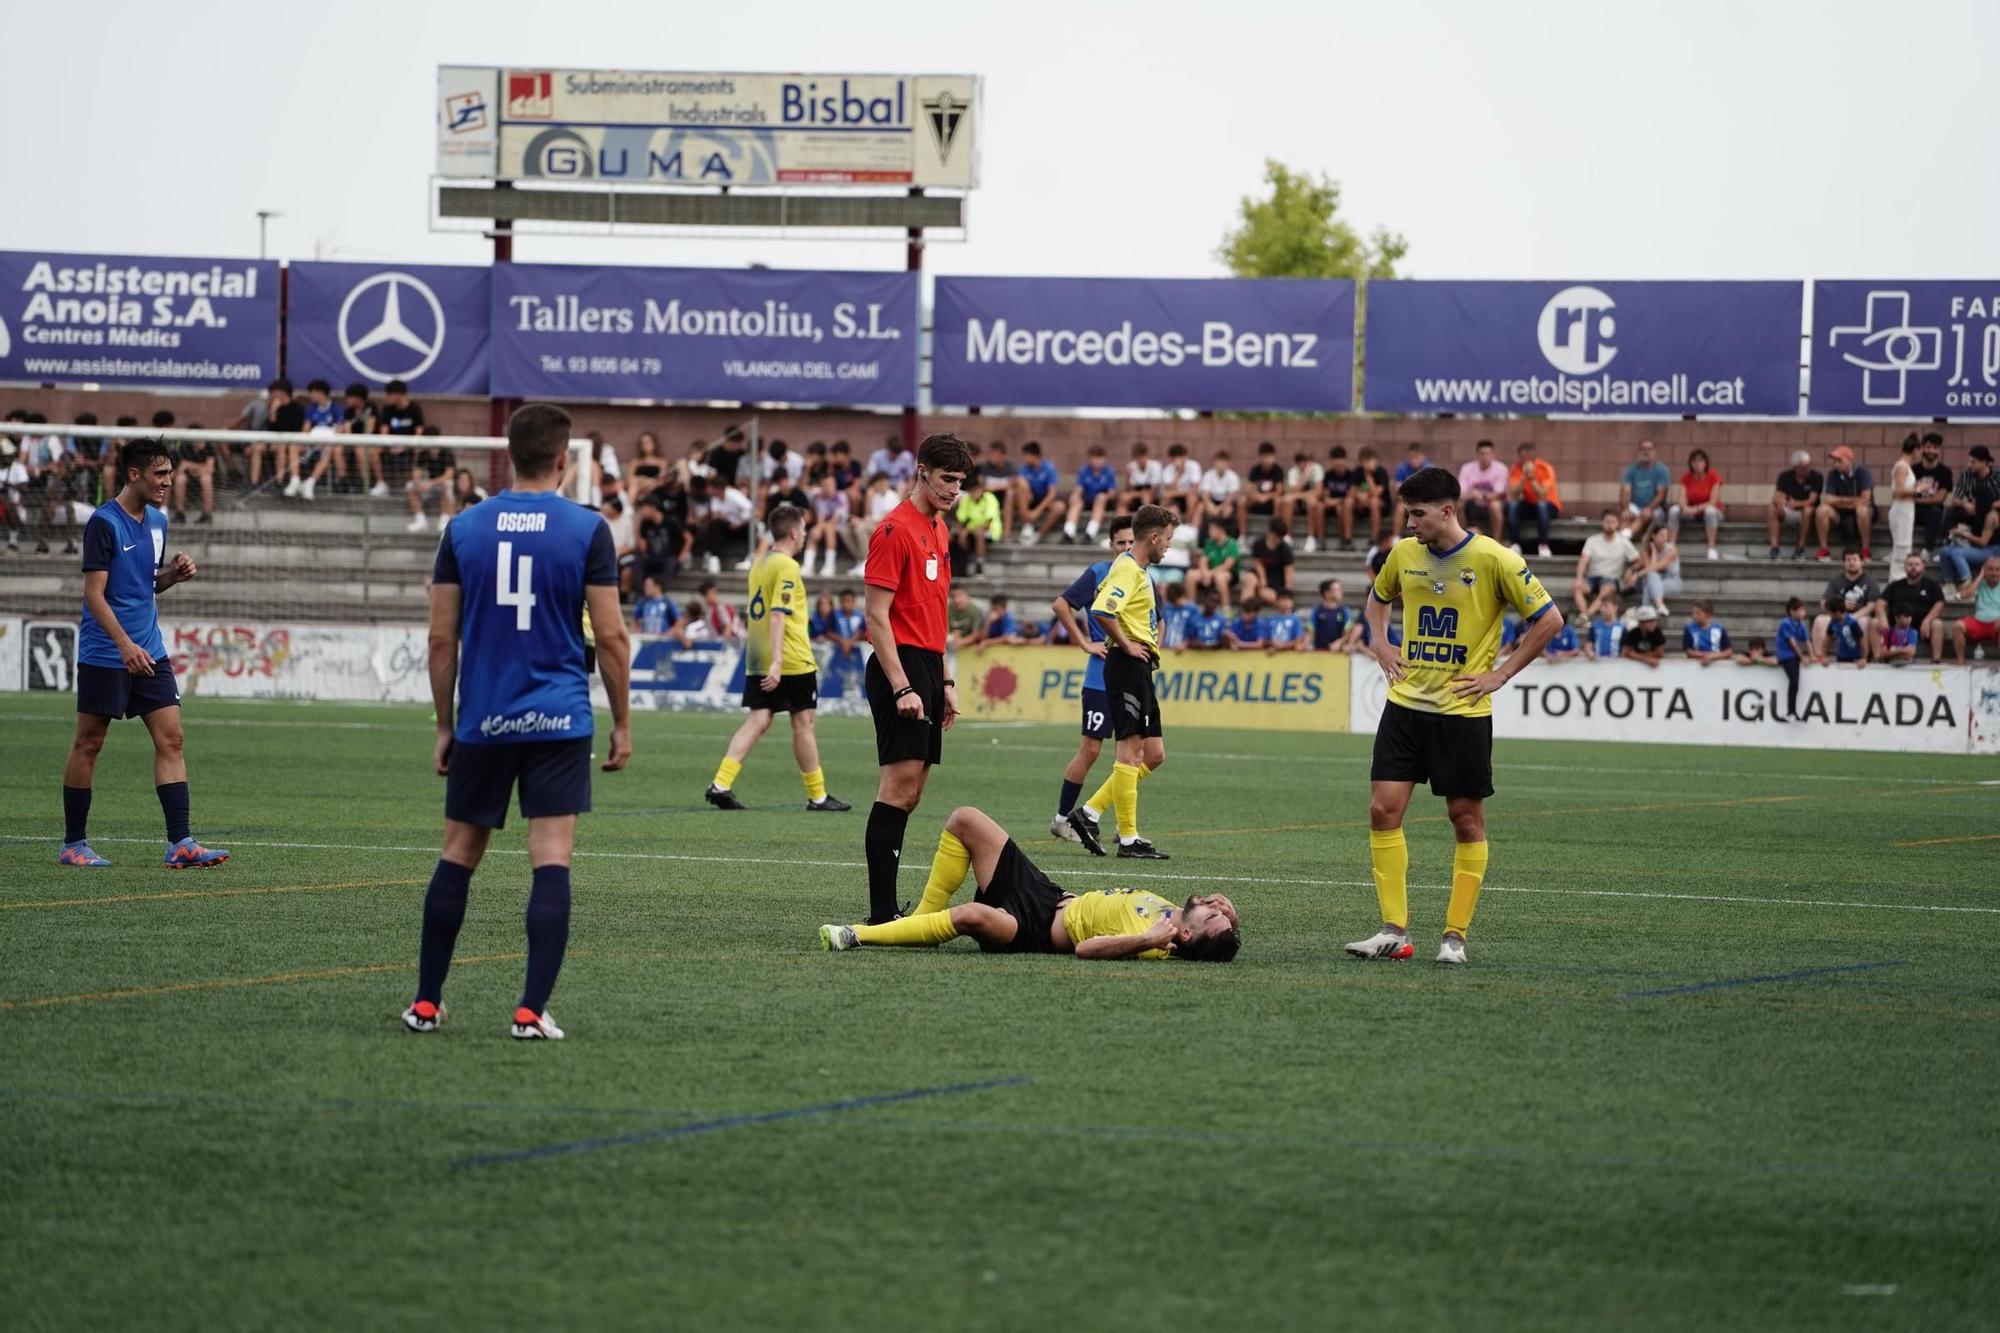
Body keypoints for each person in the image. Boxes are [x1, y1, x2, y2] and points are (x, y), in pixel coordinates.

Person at [403, 403, 630, 1042]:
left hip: (484, 718)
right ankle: (530, 1011)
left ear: (507, 453)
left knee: (458, 855)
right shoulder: (588, 530)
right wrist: (623, 725)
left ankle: (426, 1003)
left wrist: (444, 725)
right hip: (559, 717)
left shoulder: (463, 528)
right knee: (550, 858)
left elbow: (440, 641)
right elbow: (610, 638)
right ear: (563, 459)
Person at [1349, 465, 1563, 966]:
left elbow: (1549, 619)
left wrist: (1500, 674)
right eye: (1406, 513)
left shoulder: (1495, 559)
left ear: (1448, 510)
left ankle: (1454, 936)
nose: (1409, 524)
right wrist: (1381, 645)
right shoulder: (1403, 555)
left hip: (1462, 710)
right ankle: (1392, 931)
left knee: (1464, 819)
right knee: (1383, 810)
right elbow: (1378, 599)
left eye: (1417, 514)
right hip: (1405, 706)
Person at [57, 437, 229, 872]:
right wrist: (123, 645)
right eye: (160, 474)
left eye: (170, 473)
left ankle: (181, 843)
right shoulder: (103, 522)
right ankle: (74, 843)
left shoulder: (158, 520)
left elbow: (144, 583)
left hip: (149, 649)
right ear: (134, 474)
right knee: (90, 743)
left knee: (172, 738)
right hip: (107, 651)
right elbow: (95, 595)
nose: (168, 482)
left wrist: (172, 575)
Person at [818, 806, 1240, 961]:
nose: (1215, 906)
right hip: (1047, 893)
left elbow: (1085, 948)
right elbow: (1218, 940)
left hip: (1034, 930)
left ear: (1185, 933)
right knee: (965, 819)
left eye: (1212, 915)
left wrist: (1145, 941)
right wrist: (1231, 921)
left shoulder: (1159, 941)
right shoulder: (1175, 917)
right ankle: (922, 922)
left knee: (968, 915)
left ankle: (859, 936)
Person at [861, 433, 972, 925]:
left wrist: (943, 681)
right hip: (898, 665)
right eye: (947, 479)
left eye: (961, 482)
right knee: (896, 788)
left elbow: (936, 611)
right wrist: (903, 685)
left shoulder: (939, 529)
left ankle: (887, 909)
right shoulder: (893, 530)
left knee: (912, 792)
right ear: (922, 471)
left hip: (928, 664)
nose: (954, 490)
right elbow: (876, 617)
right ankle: (881, 914)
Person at [703, 504, 851, 814]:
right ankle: (818, 796)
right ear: (795, 532)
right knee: (804, 723)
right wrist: (779, 663)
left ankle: (721, 783)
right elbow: (778, 615)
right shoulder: (787, 566)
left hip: (757, 656)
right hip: (790, 658)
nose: (805, 537)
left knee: (759, 718)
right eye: (805, 531)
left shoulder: (759, 564)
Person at [1068, 504, 1175, 861]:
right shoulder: (1128, 570)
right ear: (1154, 537)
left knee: (1154, 754)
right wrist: (1127, 644)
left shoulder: (1139, 570)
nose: (1169, 548)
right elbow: (1101, 609)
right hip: (1127, 664)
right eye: (1168, 540)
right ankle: (1129, 839)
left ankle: (1090, 812)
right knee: (1129, 752)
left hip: (1140, 667)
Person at [1812, 548, 1883, 661]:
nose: (1851, 562)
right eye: (1848, 560)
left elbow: (1871, 606)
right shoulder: (1836, 581)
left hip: (1860, 615)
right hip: (1837, 615)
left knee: (1862, 622)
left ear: (1862, 562)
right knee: (1819, 620)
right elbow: (1823, 603)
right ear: (1844, 563)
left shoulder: (1870, 582)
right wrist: (1841, 605)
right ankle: (1820, 657)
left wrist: (1852, 617)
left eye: (1855, 559)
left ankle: (1861, 657)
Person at [1883, 552, 1948, 662]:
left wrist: (1927, 620)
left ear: (1923, 567)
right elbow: (1881, 602)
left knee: (1937, 624)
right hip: (1897, 626)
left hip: (1923, 627)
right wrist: (1882, 619)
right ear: (1904, 567)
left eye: (1917, 564)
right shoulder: (1895, 585)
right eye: (1910, 564)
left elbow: (1940, 603)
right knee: (1875, 622)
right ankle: (1878, 658)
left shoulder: (1931, 584)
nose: (1913, 567)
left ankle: (1936, 660)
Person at [1572, 510, 1639, 617]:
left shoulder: (1623, 542)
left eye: (1612, 522)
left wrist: (1631, 570)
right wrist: (1579, 577)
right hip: (1592, 578)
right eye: (1607, 521)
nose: (1609, 525)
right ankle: (1583, 613)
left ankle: (1586, 615)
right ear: (1602, 522)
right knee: (1577, 586)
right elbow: (1583, 560)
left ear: (1618, 524)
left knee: (1607, 589)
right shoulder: (1592, 540)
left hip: (1611, 578)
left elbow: (1638, 561)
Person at [1815, 446, 1875, 562]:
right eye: (1834, 461)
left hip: (1861, 513)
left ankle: (1865, 549)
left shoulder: (1862, 472)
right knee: (1821, 509)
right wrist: (1852, 502)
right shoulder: (1833, 474)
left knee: (1862, 509)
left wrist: (1839, 500)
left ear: (1849, 460)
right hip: (1840, 513)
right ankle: (1824, 549)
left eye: (1839, 461)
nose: (1836, 465)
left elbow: (1866, 498)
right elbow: (1829, 499)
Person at [1504, 441, 1560, 558]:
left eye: (1523, 456)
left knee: (1541, 505)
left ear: (1532, 455)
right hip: (1529, 505)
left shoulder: (1545, 468)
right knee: (1513, 505)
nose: (1520, 459)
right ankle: (1515, 544)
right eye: (1519, 456)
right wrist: (1524, 477)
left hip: (1549, 506)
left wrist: (1532, 477)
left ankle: (1543, 545)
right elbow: (1513, 494)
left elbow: (1542, 496)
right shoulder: (1516, 468)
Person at [1668, 448, 1725, 561]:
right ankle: (1671, 546)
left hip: (1712, 512)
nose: (1697, 464)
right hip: (1692, 512)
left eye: (1700, 461)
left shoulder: (1713, 476)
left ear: (1705, 463)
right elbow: (1681, 498)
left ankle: (1711, 549)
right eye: (1694, 461)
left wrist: (1696, 508)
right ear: (1691, 464)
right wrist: (1684, 507)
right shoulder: (1686, 477)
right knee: (1673, 510)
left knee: (1710, 510)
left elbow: (1713, 501)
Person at [1767, 450, 1823, 561]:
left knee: (1808, 510)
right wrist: (1781, 502)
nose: (1807, 469)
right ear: (1795, 467)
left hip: (1807, 512)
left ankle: (1800, 548)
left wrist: (1795, 503)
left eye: (1808, 465)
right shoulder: (1785, 476)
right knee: (1772, 508)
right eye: (1803, 467)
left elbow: (1812, 500)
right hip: (1789, 510)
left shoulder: (1816, 477)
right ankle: (1774, 548)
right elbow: (1776, 497)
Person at [373, 379, 425, 497]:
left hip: (410, 446)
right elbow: (384, 432)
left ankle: (412, 482)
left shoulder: (415, 409)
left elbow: (419, 433)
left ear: (398, 395)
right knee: (375, 450)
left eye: (389, 395)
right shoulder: (387, 410)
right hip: (392, 446)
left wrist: (405, 447)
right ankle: (382, 483)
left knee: (419, 450)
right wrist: (390, 445)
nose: (387, 398)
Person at [1063, 445, 1120, 545]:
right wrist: (1075, 496)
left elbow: (1112, 492)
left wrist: (1104, 496)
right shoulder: (1084, 470)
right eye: (1095, 458)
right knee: (1076, 502)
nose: (1097, 461)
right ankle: (1068, 533)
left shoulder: (1109, 471)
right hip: (1087, 499)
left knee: (1100, 499)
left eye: (1100, 458)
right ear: (1090, 459)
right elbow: (1079, 489)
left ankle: (1090, 534)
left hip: (1102, 502)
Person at [1617, 439, 1672, 541]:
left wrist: (1649, 508)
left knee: (1646, 514)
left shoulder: (1662, 470)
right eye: (1643, 449)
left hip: (1656, 509)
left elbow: (1661, 495)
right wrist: (1625, 509)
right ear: (1639, 452)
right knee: (1625, 516)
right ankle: (1621, 539)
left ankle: (1625, 535)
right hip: (1636, 506)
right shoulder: (1631, 469)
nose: (1646, 452)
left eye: (1649, 449)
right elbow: (1624, 491)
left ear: (1655, 452)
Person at [406, 428, 457, 534]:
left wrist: (431, 483)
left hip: (445, 487)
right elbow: (416, 472)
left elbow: (449, 475)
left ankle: (444, 520)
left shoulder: (446, 452)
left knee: (447, 484)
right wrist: (418, 483)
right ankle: (421, 520)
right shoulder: (423, 453)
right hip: (430, 487)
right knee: (410, 486)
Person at [1012, 440, 1064, 543]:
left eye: (1026, 456)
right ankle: (1028, 525)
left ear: (1034, 455)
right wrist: (1020, 481)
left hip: (1045, 500)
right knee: (1020, 490)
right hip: (1030, 499)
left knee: (1059, 507)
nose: (1025, 459)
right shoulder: (1024, 469)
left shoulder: (1049, 468)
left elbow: (1052, 493)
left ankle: (1038, 535)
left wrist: (1037, 511)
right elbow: (1013, 483)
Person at [1624, 525, 1683, 617]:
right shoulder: (1648, 551)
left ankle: (1647, 609)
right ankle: (1659, 607)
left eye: (1666, 535)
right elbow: (1650, 568)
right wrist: (1654, 552)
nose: (1665, 538)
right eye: (1662, 535)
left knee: (1650, 584)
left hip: (1672, 581)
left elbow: (1657, 566)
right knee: (1651, 580)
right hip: (1655, 581)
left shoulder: (1671, 550)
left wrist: (1638, 575)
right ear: (1653, 536)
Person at [1951, 554, 2000, 663]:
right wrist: (1980, 577)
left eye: (1997, 569)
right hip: (1979, 623)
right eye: (1990, 569)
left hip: (1997, 626)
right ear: (1984, 570)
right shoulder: (1980, 584)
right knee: (1957, 626)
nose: (1994, 573)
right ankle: (1960, 662)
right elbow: (1964, 595)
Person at [950, 472, 1002, 575]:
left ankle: (979, 565)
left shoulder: (990, 498)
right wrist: (960, 532)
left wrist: (966, 531)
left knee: (979, 533)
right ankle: (956, 567)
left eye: (976, 489)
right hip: (971, 531)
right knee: (952, 535)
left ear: (981, 489)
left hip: (990, 531)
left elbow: (988, 523)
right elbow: (961, 520)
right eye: (972, 490)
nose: (975, 492)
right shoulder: (966, 500)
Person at [1188, 516, 1244, 612]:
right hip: (1210, 571)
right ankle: (1190, 606)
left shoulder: (1232, 544)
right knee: (1191, 575)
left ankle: (1226, 609)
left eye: (1212, 529)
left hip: (1228, 573)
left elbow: (1228, 565)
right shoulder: (1209, 542)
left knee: (1220, 577)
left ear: (1220, 530)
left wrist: (1211, 573)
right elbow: (1203, 560)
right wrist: (1205, 572)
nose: (1209, 532)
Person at [1772, 598, 1817, 719]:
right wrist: (1802, 657)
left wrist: (1812, 656)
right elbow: (1793, 643)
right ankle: (1790, 711)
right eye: (1801, 610)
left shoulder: (1800, 624)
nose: (1804, 613)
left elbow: (1807, 640)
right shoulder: (1785, 623)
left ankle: (1792, 711)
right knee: (1794, 681)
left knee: (1795, 682)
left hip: (1793, 656)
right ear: (1792, 611)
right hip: (1786, 656)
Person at [1456, 440, 1508, 539]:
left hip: (1492, 503)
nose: (1485, 457)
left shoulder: (1501, 468)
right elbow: (1462, 492)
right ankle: (1460, 539)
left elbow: (1498, 493)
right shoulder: (1467, 468)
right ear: (1477, 455)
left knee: (1495, 505)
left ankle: (1497, 540)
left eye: (1488, 454)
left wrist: (1480, 495)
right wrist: (1472, 495)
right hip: (1472, 504)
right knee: (1459, 503)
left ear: (1493, 455)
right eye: (1482, 454)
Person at [803, 472, 852, 577]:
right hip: (824, 525)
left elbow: (835, 520)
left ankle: (830, 565)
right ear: (821, 487)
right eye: (826, 485)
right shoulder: (817, 497)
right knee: (814, 531)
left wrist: (822, 525)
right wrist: (819, 527)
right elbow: (820, 519)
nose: (829, 488)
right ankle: (808, 565)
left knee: (829, 529)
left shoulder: (841, 496)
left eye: (831, 484)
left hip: (840, 526)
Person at [1912, 433, 1953, 554]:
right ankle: (1899, 550)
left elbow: (1939, 499)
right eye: (1928, 447)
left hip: (1932, 513)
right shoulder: (1913, 469)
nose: (1931, 450)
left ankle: (1927, 550)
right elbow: (1906, 493)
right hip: (1913, 510)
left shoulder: (1945, 472)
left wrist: (1915, 500)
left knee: (1936, 511)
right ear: (1922, 448)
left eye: (1935, 448)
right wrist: (1911, 500)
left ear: (1939, 450)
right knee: (1900, 509)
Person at [1345, 446, 1391, 552]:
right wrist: (1359, 496)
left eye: (1369, 460)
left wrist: (1368, 476)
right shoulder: (1357, 471)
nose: (1367, 463)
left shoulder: (1381, 472)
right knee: (1348, 502)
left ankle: (1373, 540)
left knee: (1374, 502)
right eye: (1364, 461)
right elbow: (1351, 492)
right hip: (1362, 504)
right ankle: (1347, 540)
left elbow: (1376, 494)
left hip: (1381, 505)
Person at [1887, 433, 1920, 576]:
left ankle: (1900, 578)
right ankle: (1897, 579)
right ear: (1915, 450)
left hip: (1907, 509)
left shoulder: (1905, 466)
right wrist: (1919, 489)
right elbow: (1899, 491)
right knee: (1901, 548)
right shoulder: (1901, 466)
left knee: (1905, 546)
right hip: (1901, 510)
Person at [1281, 448, 1326, 552]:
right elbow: (1291, 492)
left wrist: (1300, 495)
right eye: (1299, 462)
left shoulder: (1317, 469)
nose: (1303, 464)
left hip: (1312, 502)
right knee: (1286, 500)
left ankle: (1311, 538)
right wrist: (1304, 477)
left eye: (1305, 461)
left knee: (1311, 501)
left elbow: (1318, 491)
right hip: (1297, 504)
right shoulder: (1293, 471)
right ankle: (1287, 537)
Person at [1196, 449, 1245, 535]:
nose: (1221, 464)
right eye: (1219, 461)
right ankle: (1194, 535)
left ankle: (1228, 535)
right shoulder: (1208, 475)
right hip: (1212, 501)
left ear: (1228, 463)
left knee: (1227, 511)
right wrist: (1210, 506)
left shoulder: (1233, 476)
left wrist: (1219, 509)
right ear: (1214, 462)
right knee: (1200, 507)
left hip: (1226, 503)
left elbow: (1230, 497)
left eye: (1224, 461)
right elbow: (1205, 495)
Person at [1312, 578, 1362, 653]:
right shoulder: (1317, 611)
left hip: (1338, 653)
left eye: (1340, 590)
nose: (1341, 592)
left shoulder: (1345, 611)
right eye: (1337, 590)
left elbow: (1348, 632)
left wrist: (1339, 642)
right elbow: (1310, 630)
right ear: (1327, 593)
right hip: (1320, 652)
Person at [1160, 443, 1203, 529]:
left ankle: (1187, 523)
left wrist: (1174, 493)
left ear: (1185, 456)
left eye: (1181, 457)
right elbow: (1168, 491)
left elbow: (1195, 489)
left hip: (1190, 498)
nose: (1179, 460)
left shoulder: (1193, 466)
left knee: (1191, 497)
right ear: (1172, 459)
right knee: (1166, 499)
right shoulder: (1168, 470)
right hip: (1176, 499)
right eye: (1175, 458)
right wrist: (1178, 473)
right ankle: (1161, 523)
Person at [1243, 441, 1285, 529]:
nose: (1267, 459)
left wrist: (1266, 497)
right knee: (1241, 501)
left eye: (1269, 456)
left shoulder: (1277, 470)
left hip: (1271, 502)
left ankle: (1275, 529)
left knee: (1279, 500)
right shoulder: (1255, 470)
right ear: (1260, 457)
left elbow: (1279, 491)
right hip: (1257, 500)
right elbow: (1247, 489)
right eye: (1264, 456)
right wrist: (1256, 496)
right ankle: (1242, 534)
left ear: (1274, 457)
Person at [1682, 599, 1732, 664]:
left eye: (1698, 613)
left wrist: (1713, 656)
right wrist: (1706, 655)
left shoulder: (1719, 629)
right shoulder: (1689, 629)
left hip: (1717, 665)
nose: (1694, 616)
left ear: (1708, 615)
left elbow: (1728, 651)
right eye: (1693, 613)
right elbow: (1689, 652)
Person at [1120, 441, 1163, 514]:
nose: (1140, 460)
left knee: (1145, 496)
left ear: (1147, 455)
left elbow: (1153, 491)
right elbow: (1128, 490)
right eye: (1137, 457)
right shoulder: (1131, 467)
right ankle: (1121, 523)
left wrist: (1140, 494)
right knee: (1123, 497)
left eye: (1142, 456)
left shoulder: (1155, 466)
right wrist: (1128, 477)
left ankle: (1146, 521)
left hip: (1151, 498)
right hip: (1136, 495)